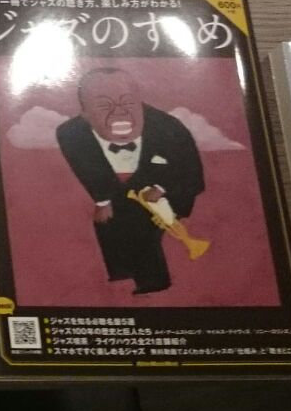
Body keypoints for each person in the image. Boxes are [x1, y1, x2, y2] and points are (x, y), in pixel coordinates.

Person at [54, 67, 206, 295]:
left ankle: (154, 281)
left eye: (128, 102)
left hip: (170, 190)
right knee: (107, 215)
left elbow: (192, 174)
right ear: (85, 113)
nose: (120, 112)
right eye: (104, 106)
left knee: (135, 216)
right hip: (121, 188)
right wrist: (103, 200)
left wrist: (160, 188)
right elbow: (87, 170)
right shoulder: (71, 133)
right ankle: (121, 270)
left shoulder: (169, 128)